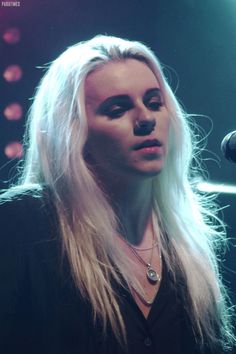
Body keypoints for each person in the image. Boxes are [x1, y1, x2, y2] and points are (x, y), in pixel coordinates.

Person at [0, 35, 235, 354]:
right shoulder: (21, 222)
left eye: (154, 103)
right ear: (73, 131)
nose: (146, 119)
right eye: (117, 109)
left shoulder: (186, 239)